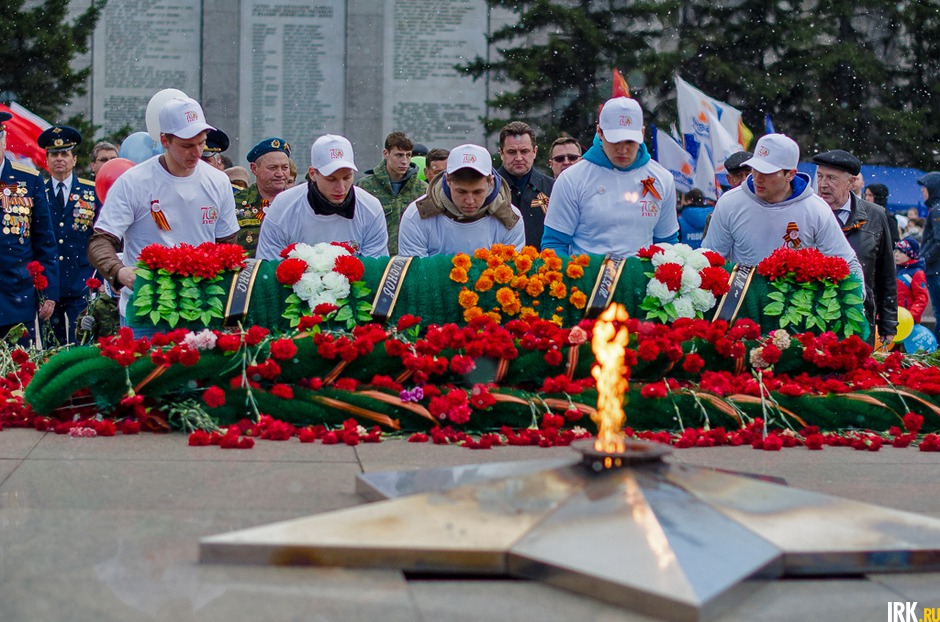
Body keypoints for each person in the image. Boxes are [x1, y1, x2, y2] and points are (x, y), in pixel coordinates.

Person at [88, 97, 239, 335]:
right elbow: (101, 240)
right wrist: (118, 272)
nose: (196, 152)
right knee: (147, 373)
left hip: (201, 303)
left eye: (201, 143)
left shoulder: (218, 181)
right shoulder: (133, 181)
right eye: (187, 145)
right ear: (164, 141)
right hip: (147, 305)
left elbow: (227, 242)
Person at [701, 134, 863, 283]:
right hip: (743, 305)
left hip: (796, 307)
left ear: (791, 174)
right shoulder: (729, 203)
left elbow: (848, 263)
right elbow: (709, 259)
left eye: (768, 172)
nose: (758, 178)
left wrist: (854, 303)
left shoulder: (816, 209)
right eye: (755, 169)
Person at [543, 97, 678, 256]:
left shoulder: (663, 179)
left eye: (629, 141)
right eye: (615, 141)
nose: (622, 150)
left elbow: (668, 244)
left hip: (642, 279)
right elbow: (554, 244)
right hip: (588, 278)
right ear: (599, 132)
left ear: (642, 133)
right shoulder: (571, 179)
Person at [256, 134, 388, 259]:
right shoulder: (283, 207)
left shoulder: (371, 208)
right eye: (331, 179)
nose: (341, 188)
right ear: (312, 174)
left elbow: (376, 270)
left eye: (347, 177)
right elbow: (269, 267)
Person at [812, 149, 896, 343]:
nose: (823, 184)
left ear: (851, 182)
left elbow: (886, 274)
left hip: (859, 317)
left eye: (831, 178)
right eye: (820, 176)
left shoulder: (875, 215)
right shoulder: (808, 211)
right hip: (812, 317)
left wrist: (888, 323)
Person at [398, 144, 524, 257]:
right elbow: (414, 276)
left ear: (490, 181)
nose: (470, 201)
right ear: (447, 179)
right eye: (461, 192)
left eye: (477, 192)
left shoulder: (510, 219)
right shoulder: (417, 215)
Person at [0, 112, 59, 346]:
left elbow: (45, 240)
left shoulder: (28, 179)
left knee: (18, 371)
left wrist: (50, 293)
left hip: (17, 292)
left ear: (3, 140)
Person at [38, 125, 98, 344]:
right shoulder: (38, 192)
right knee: (50, 351)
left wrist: (99, 279)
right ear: (46, 160)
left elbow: (100, 238)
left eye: (65, 154)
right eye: (53, 154)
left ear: (74, 159)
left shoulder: (91, 192)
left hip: (81, 283)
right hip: (48, 286)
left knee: (82, 346)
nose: (59, 159)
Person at [355, 131, 427, 255]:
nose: (404, 161)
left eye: (408, 155)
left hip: (412, 260)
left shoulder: (422, 189)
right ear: (385, 154)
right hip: (376, 259)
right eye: (399, 155)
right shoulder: (365, 187)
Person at [496, 121, 554, 249]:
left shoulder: (552, 188)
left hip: (542, 265)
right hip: (498, 265)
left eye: (524, 151)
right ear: (501, 153)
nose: (518, 158)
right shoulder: (488, 188)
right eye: (511, 152)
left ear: (534, 151)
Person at [234, 137, 293, 256]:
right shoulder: (236, 202)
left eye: (285, 168)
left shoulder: (297, 202)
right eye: (273, 168)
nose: (280, 174)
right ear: (254, 169)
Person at [915, 171, 940, 343]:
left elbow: (939, 241)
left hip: (936, 269)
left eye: (925, 187)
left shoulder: (937, 209)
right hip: (934, 268)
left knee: (939, 312)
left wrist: (923, 259)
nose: (923, 191)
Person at [895, 237, 928, 324]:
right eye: (896, 251)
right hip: (893, 318)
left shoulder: (917, 273)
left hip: (907, 321)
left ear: (910, 255)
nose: (896, 254)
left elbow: (921, 298)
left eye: (901, 252)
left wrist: (911, 316)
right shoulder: (894, 270)